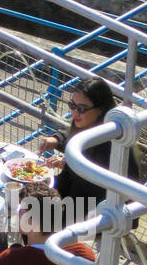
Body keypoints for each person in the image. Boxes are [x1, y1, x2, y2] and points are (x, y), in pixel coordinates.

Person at [39, 76, 139, 224]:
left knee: (34, 215)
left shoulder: (111, 140)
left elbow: (96, 184)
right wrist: (57, 139)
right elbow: (71, 134)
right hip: (76, 193)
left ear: (100, 109)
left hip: (99, 208)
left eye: (82, 108)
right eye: (72, 105)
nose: (74, 113)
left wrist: (70, 164)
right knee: (30, 196)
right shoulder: (90, 124)